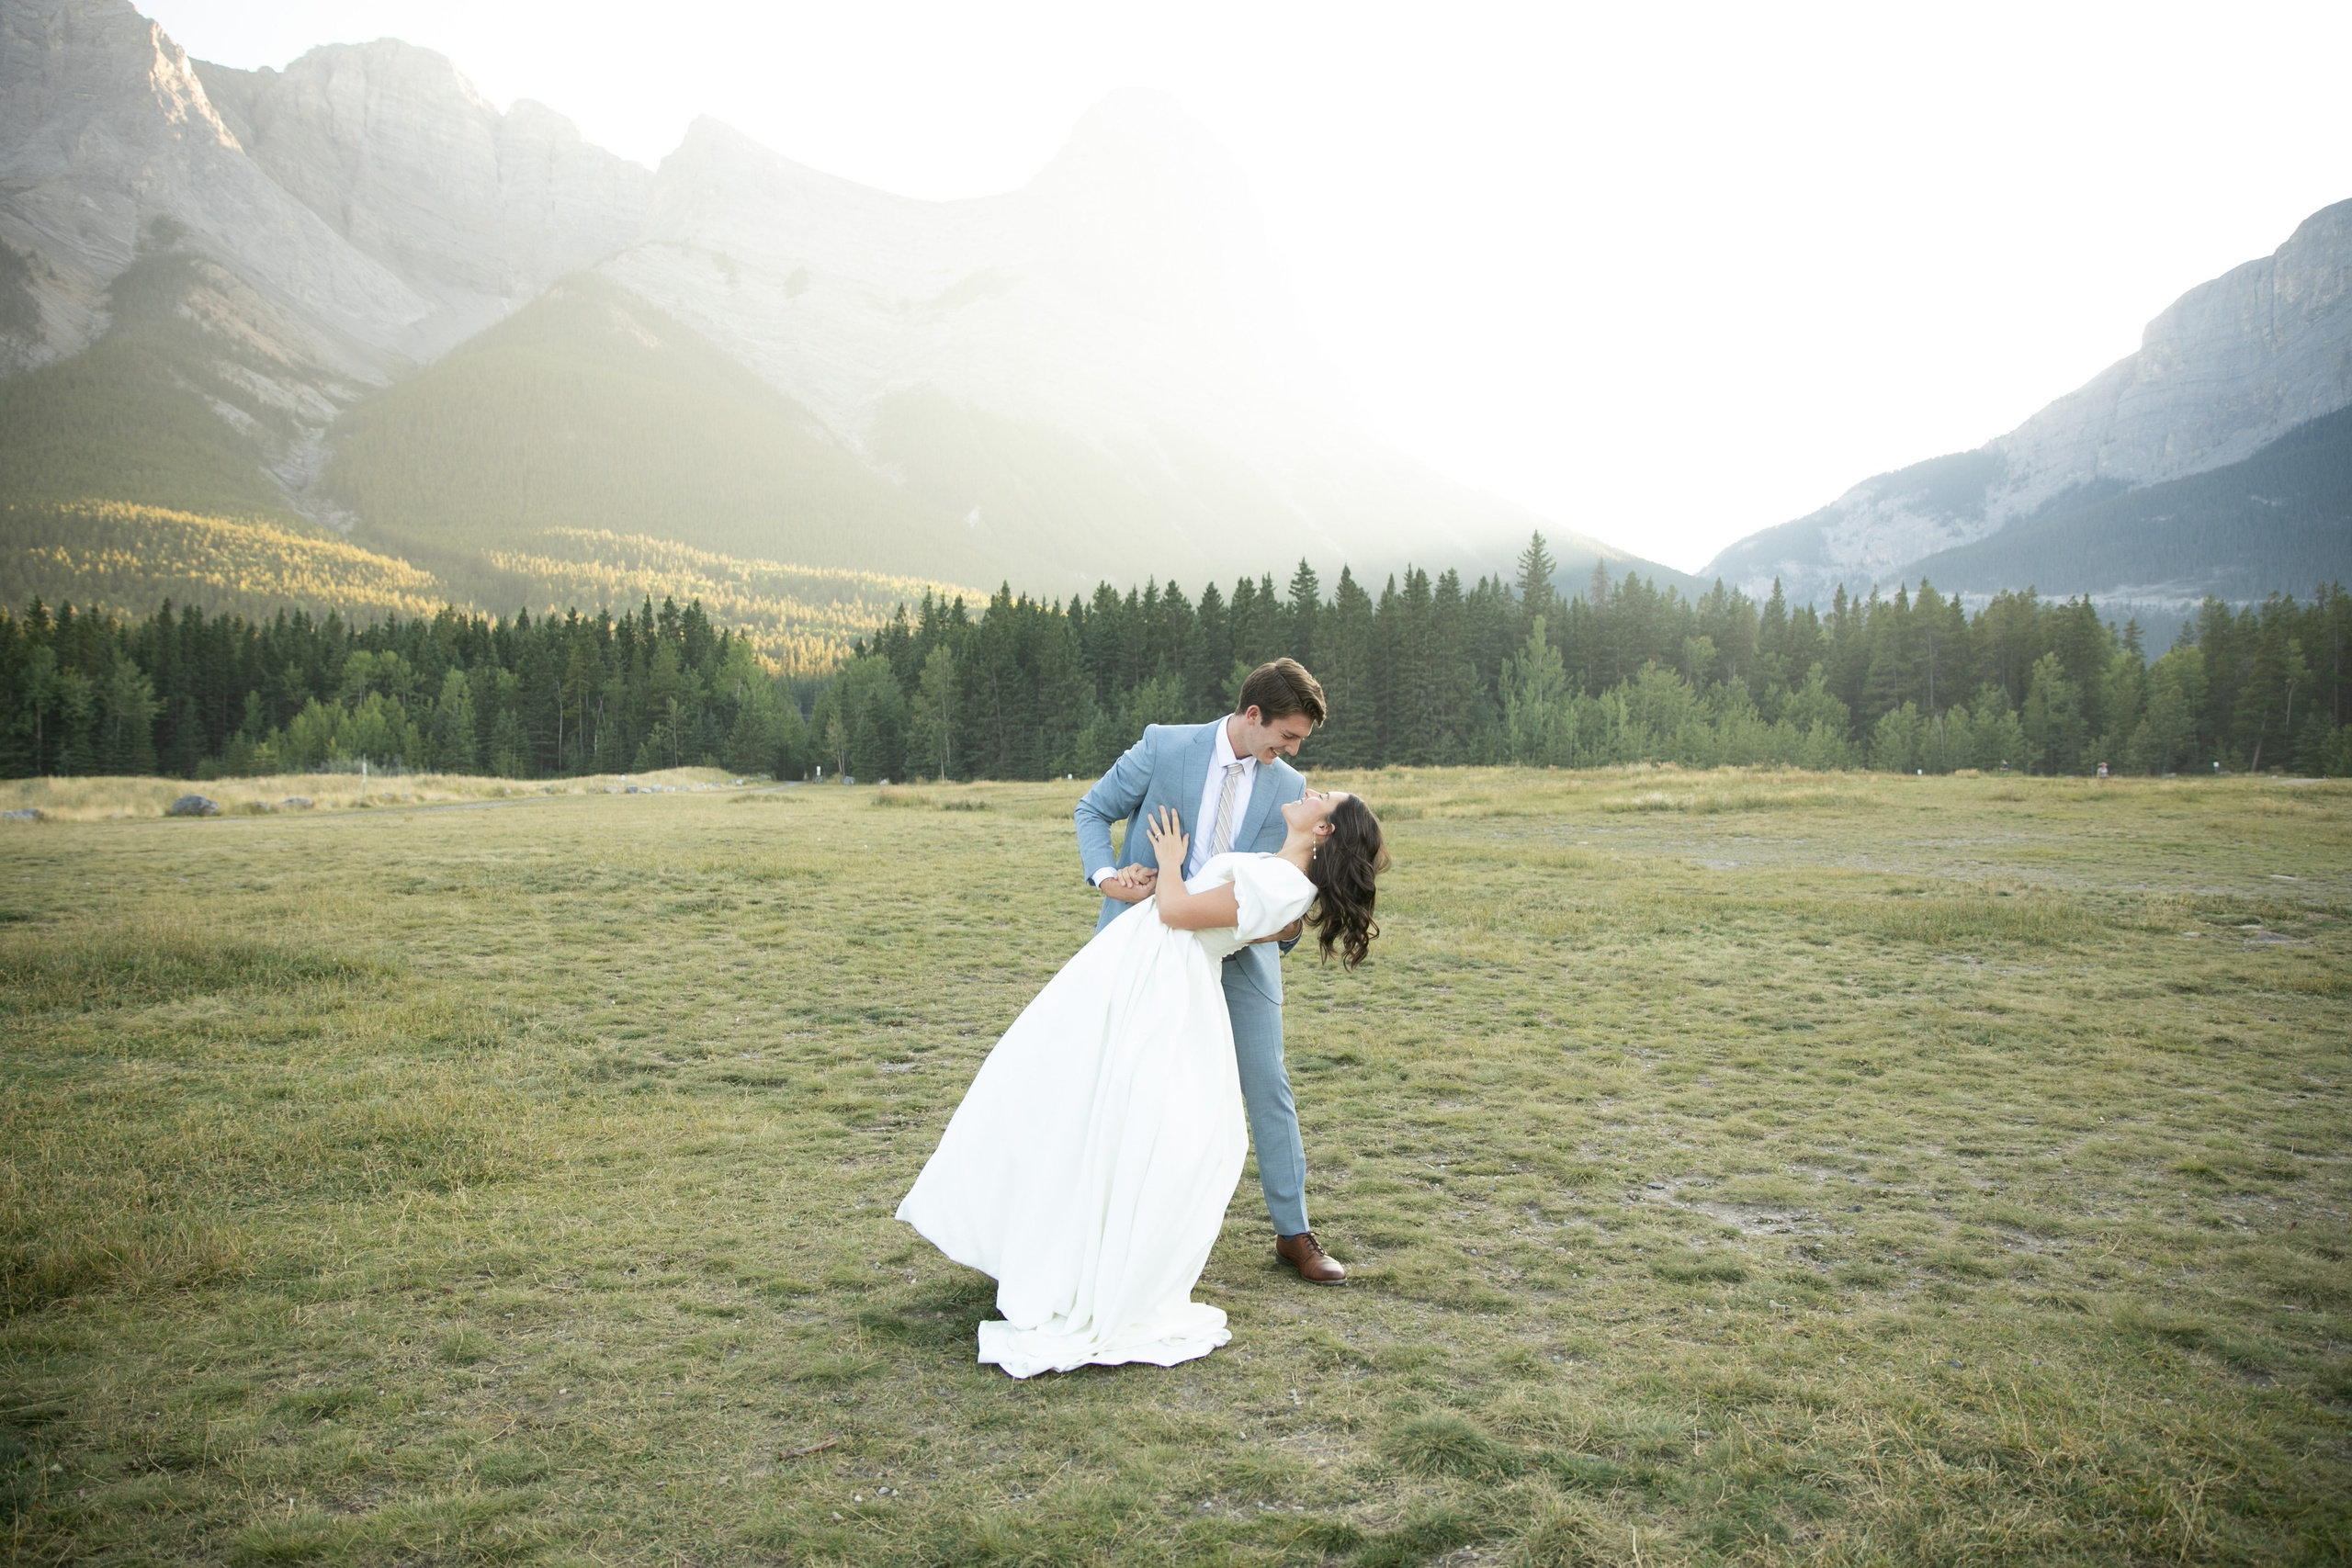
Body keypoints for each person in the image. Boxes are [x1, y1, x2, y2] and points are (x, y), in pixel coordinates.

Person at [896, 787, 1387, 1377]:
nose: (1312, 790)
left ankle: (1091, 1264)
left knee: (1124, 1112)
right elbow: (1204, 915)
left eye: (1325, 798)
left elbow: (1183, 915)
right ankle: (1059, 1246)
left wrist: (1175, 864)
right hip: (1147, 965)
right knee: (1071, 1094)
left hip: (1164, 982)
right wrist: (1158, 883)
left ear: (1326, 831)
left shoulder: (1287, 884)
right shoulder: (1279, 874)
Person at [1077, 659, 1346, 1283]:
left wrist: (1287, 927)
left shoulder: (1289, 785)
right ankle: (1111, 1221)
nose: (1292, 751)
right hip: (1151, 946)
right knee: (1125, 1080)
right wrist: (1108, 879)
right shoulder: (1163, 746)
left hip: (1241, 956)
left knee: (1268, 1084)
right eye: (1287, 735)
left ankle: (1294, 1232)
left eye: (1299, 741)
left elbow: (1284, 887)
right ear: (1253, 716)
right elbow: (1092, 811)